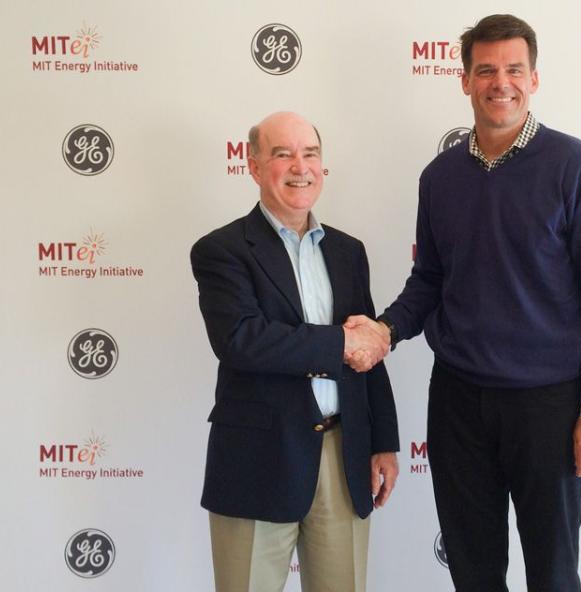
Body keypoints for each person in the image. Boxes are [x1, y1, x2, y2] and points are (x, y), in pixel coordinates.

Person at [345, 14, 581, 592]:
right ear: (465, 80)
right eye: (486, 70)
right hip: (458, 403)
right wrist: (385, 329)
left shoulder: (575, 167)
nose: (500, 82)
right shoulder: (440, 177)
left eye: (513, 70)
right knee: (473, 572)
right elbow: (429, 278)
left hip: (549, 407)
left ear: (533, 78)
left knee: (553, 573)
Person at [191, 111, 399, 592]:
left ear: (323, 166)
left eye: (310, 154)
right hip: (257, 460)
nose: (299, 166)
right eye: (282, 154)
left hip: (344, 456)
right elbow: (243, 340)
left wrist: (383, 439)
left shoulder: (350, 251)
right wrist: (343, 342)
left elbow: (369, 358)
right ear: (254, 165)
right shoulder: (221, 250)